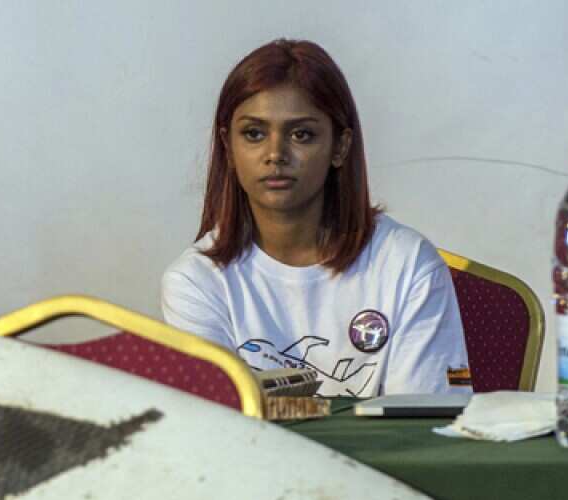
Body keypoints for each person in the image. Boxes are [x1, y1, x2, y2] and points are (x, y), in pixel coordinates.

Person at [160, 39, 471, 397]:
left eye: (301, 134)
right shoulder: (194, 281)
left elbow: (423, 429)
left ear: (340, 146)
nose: (275, 154)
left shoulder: (409, 264)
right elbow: (218, 429)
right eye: (254, 134)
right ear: (228, 147)